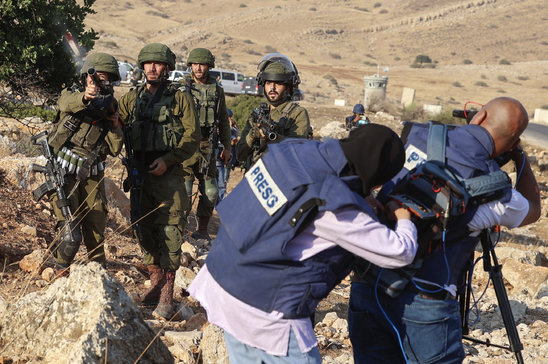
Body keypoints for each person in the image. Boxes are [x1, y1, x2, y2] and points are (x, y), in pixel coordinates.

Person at [189, 124, 419, 363]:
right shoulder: (339, 206)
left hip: (223, 277)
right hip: (264, 308)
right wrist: (403, 217)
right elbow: (399, 252)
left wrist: (362, 195)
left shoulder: (297, 151)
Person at [348, 97, 541, 364]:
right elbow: (533, 210)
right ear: (514, 140)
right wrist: (519, 158)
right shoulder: (496, 189)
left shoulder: (414, 132)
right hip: (427, 304)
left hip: (368, 283)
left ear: (481, 116)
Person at [118, 43, 200, 320]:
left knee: (170, 230)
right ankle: (154, 285)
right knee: (142, 226)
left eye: (158, 64)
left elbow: (192, 138)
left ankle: (167, 295)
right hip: (140, 172)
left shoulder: (180, 98)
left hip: (169, 174)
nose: (152, 68)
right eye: (148, 63)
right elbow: (117, 123)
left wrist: (169, 160)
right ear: (141, 67)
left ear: (167, 67)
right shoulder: (133, 98)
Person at [46, 52, 123, 276]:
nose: (97, 82)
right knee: (70, 230)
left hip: (92, 173)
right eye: (94, 77)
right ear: (85, 78)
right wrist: (85, 98)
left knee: (96, 223)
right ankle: (60, 272)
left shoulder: (112, 106)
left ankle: (98, 275)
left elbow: (116, 148)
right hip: (64, 170)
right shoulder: (73, 95)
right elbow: (65, 103)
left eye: (104, 78)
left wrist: (115, 124)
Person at [180, 48, 231, 241]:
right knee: (183, 191)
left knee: (210, 192)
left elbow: (223, 120)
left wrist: (227, 147)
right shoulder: (181, 87)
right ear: (190, 65)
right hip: (185, 146)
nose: (198, 68)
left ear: (209, 66)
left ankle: (202, 230)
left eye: (202, 64)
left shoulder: (217, 91)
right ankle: (180, 231)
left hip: (207, 147)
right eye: (195, 64)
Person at [236, 53, 310, 169]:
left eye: (278, 83)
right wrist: (252, 135)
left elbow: (297, 151)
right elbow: (239, 155)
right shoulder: (256, 115)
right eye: (269, 83)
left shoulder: (297, 114)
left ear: (288, 87)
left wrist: (274, 138)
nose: (272, 88)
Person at [215, 108, 239, 203]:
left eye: (230, 117)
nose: (230, 119)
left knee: (224, 179)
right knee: (220, 181)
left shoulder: (233, 128)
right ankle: (218, 201)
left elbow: (235, 136)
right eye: (228, 117)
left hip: (227, 157)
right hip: (218, 156)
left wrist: (233, 126)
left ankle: (220, 201)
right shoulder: (219, 126)